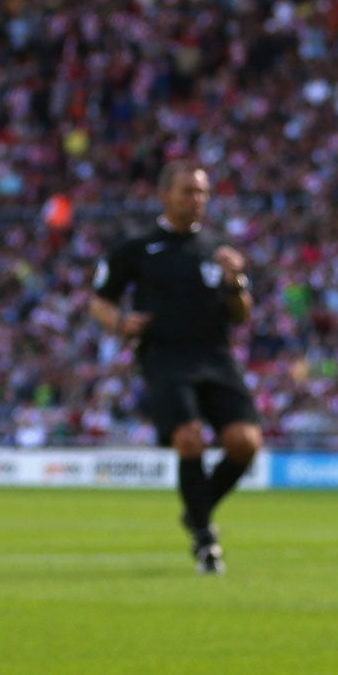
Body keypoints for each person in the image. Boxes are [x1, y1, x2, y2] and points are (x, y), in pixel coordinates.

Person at [89, 161, 261, 574]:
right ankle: (204, 537)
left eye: (202, 192)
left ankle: (196, 510)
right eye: (188, 191)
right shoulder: (138, 246)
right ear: (165, 195)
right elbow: (99, 300)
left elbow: (241, 315)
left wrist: (236, 282)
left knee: (246, 441)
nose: (196, 200)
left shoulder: (218, 249)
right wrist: (118, 322)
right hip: (165, 357)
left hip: (215, 356)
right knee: (189, 439)